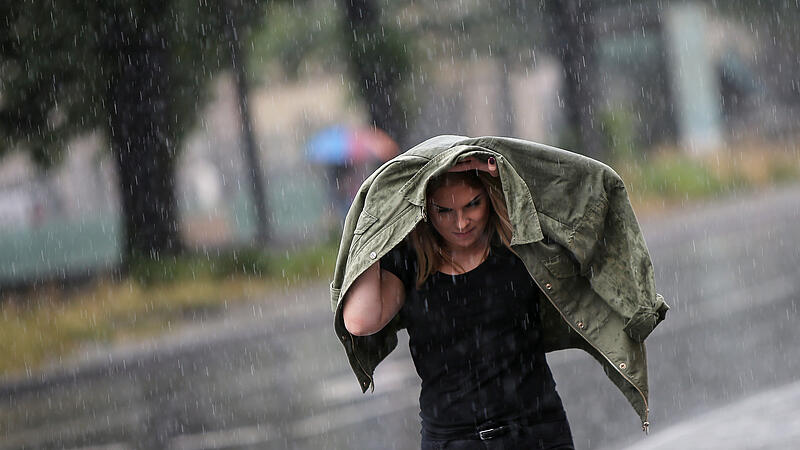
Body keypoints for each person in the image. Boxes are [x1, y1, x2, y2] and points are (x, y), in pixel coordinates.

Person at [342, 156, 575, 449]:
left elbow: (577, 215)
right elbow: (359, 321)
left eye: (472, 205)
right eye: (445, 211)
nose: (461, 222)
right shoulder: (409, 261)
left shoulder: (518, 245)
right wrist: (380, 216)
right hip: (453, 440)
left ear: (490, 197)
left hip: (536, 432)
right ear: (425, 208)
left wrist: (505, 176)